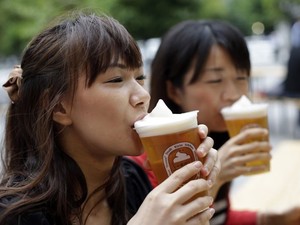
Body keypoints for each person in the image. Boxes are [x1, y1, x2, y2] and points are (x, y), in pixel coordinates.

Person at [0, 12, 221, 225]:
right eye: (116, 79)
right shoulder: (15, 214)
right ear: (58, 106)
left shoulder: (132, 178)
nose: (143, 96)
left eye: (140, 77)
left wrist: (196, 183)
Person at [130, 20, 300, 225]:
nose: (234, 94)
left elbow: (219, 217)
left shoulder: (211, 140)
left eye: (241, 77)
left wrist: (273, 219)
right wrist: (215, 178)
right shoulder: (149, 162)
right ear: (174, 90)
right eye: (215, 81)